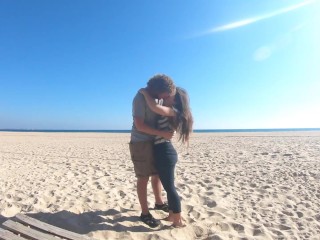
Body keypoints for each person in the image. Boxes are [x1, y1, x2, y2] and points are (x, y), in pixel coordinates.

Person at [139, 86, 193, 228]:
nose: (164, 97)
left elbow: (154, 107)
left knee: (170, 188)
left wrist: (145, 92)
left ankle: (178, 220)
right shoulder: (170, 110)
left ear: (175, 100)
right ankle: (171, 215)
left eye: (168, 96)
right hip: (162, 151)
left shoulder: (173, 111)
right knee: (167, 185)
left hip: (165, 152)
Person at [129, 74, 177, 228]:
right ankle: (144, 213)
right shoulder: (140, 98)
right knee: (143, 178)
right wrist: (162, 133)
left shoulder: (155, 99)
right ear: (158, 90)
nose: (168, 96)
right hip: (141, 143)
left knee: (156, 175)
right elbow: (140, 125)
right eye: (166, 93)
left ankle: (158, 202)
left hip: (153, 142)